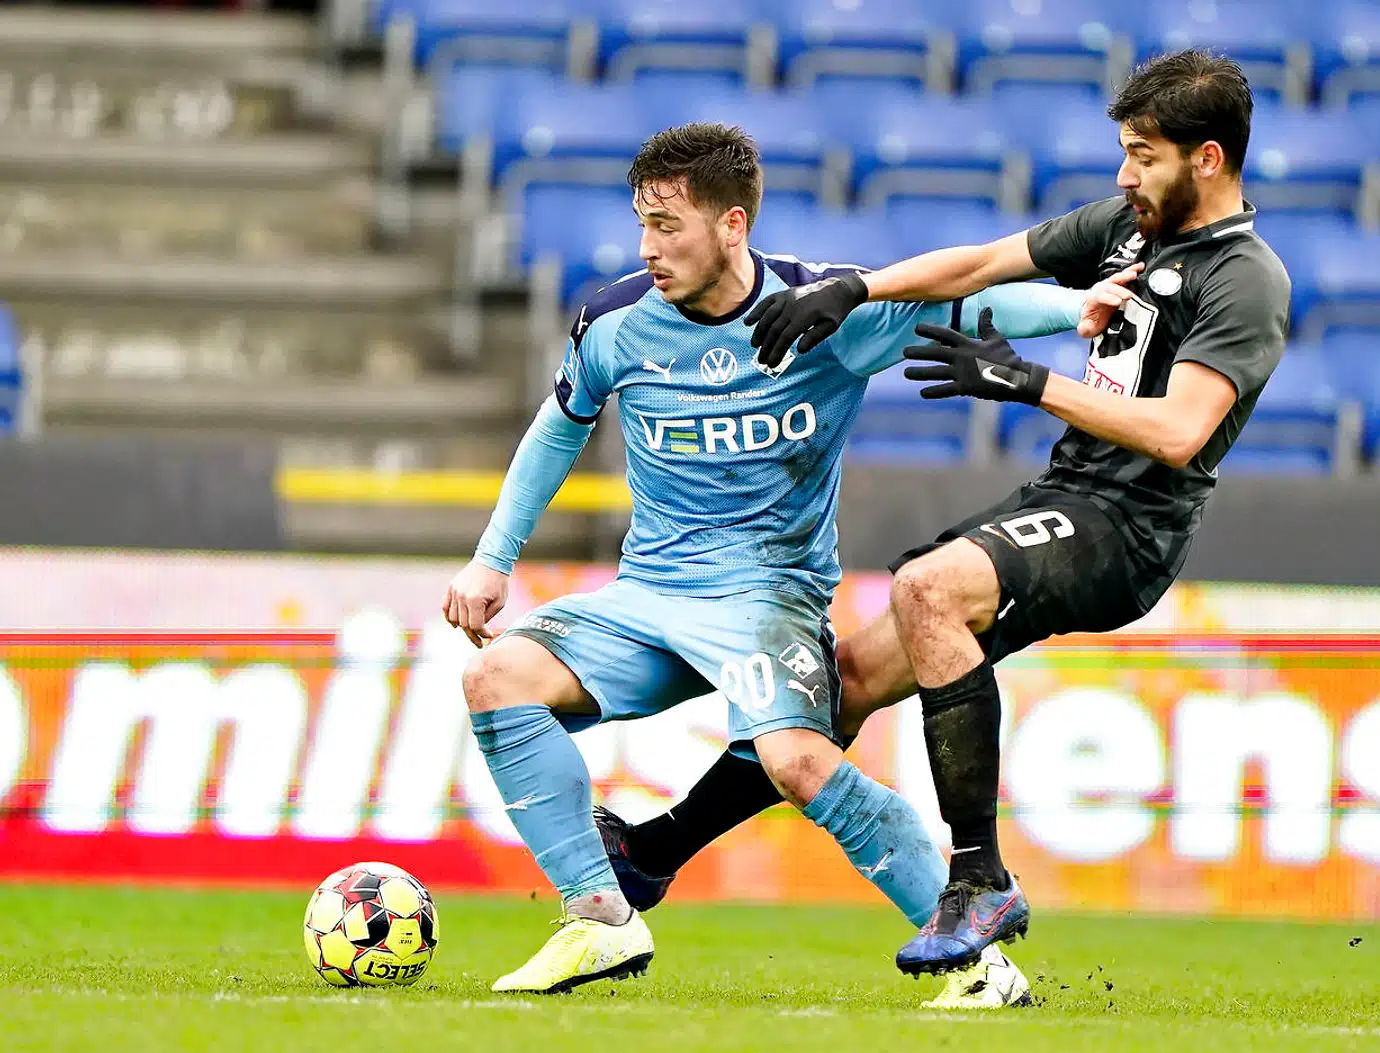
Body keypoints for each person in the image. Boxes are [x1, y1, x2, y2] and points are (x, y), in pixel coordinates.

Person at [596, 49, 1292, 994]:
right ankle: (655, 850)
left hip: (1130, 527)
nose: (1125, 176)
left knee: (929, 586)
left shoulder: (1246, 278)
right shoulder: (1128, 230)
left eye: (1144, 156)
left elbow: (1180, 431)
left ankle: (978, 877)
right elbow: (977, 264)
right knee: (840, 681)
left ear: (1207, 158)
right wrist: (859, 288)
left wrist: (1028, 380)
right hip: (1064, 499)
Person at [443, 122, 1128, 996]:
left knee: (797, 762)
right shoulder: (615, 322)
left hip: (770, 593)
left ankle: (982, 965)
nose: (648, 248)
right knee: (496, 678)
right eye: (642, 224)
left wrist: (1075, 310)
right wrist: (491, 558)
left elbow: (950, 306)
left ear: (732, 226)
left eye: (669, 226)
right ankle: (600, 921)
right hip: (650, 594)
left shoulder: (818, 313)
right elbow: (560, 424)